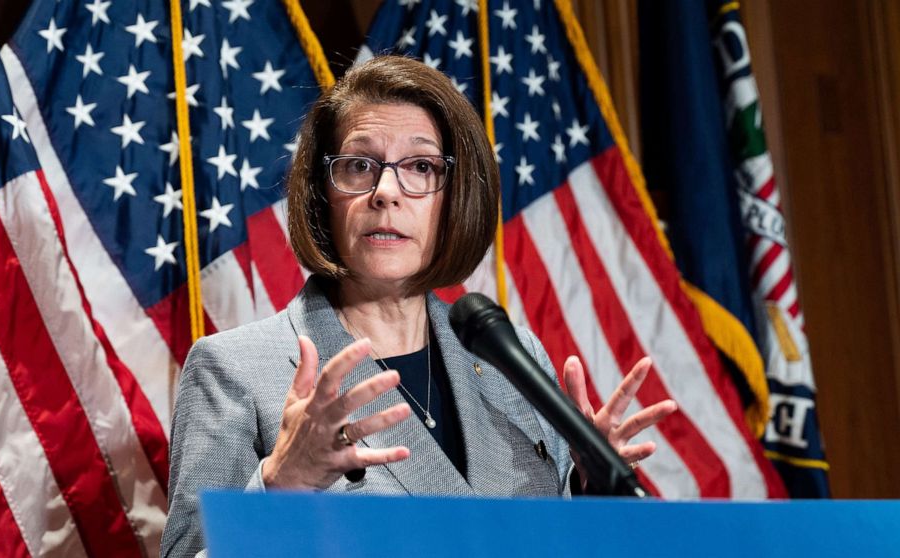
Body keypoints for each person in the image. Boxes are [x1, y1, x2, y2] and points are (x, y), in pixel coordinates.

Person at [160, 55, 677, 557]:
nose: (386, 192)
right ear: (323, 193)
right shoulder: (233, 370)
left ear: (454, 197)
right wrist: (280, 489)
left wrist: (594, 492)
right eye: (359, 165)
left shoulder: (512, 359)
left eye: (421, 166)